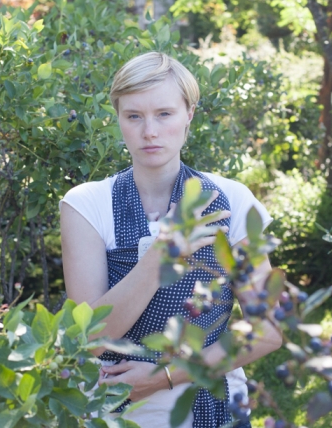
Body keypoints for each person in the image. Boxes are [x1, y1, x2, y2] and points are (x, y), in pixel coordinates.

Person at [59, 52, 282, 428]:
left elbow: (269, 331)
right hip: (113, 412)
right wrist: (162, 253)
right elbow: (89, 341)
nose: (150, 131)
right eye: (134, 116)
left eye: (164, 114)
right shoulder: (86, 205)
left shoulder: (233, 201)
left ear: (189, 114)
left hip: (215, 406)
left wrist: (166, 375)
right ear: (118, 118)